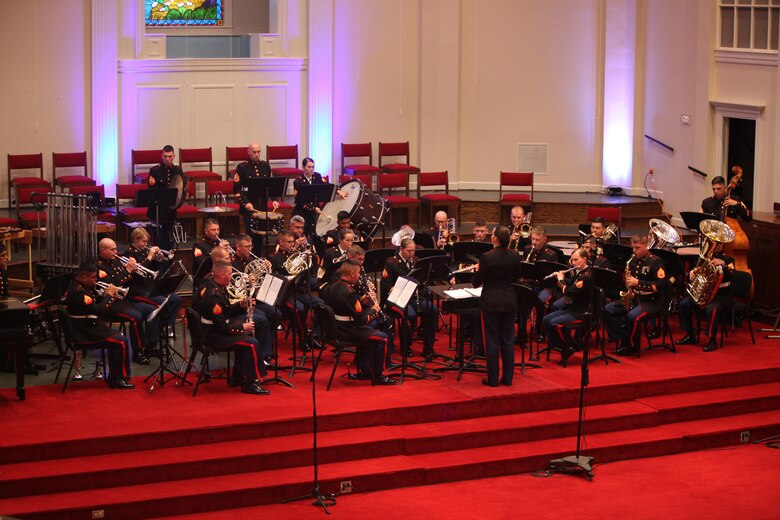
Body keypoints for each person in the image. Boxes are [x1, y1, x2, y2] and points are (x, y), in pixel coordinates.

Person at [192, 261, 269, 395]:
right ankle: (252, 382)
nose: (231, 276)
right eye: (229, 274)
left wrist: (241, 305)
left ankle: (238, 377)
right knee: (251, 343)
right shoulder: (214, 295)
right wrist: (241, 327)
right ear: (222, 275)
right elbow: (220, 326)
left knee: (246, 339)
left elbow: (225, 312)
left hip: (214, 330)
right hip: (213, 336)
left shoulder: (215, 286)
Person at [323, 260, 396, 385]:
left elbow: (346, 307)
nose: (359, 276)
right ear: (352, 273)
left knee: (369, 332)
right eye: (358, 273)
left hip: (335, 328)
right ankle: (378, 375)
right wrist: (374, 311)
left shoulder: (334, 287)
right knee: (383, 338)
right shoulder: (349, 292)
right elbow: (360, 320)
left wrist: (361, 302)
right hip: (347, 331)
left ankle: (365, 370)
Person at [65, 262, 134, 389]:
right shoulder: (79, 294)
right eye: (93, 277)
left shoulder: (77, 285)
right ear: (84, 277)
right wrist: (109, 295)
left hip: (88, 326)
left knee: (119, 339)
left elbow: (94, 305)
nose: (96, 280)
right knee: (121, 341)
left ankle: (115, 376)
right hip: (85, 332)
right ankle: (120, 378)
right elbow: (100, 311)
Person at [471, 226, 523, 387]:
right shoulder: (515, 256)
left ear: (495, 239)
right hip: (509, 300)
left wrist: (477, 270)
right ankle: (508, 378)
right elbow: (516, 277)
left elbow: (476, 282)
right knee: (507, 340)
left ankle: (493, 379)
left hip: (491, 302)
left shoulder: (487, 257)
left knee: (492, 340)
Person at [603, 234, 668, 356]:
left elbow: (660, 285)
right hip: (636, 298)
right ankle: (623, 337)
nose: (634, 251)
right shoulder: (632, 261)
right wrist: (630, 290)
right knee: (607, 310)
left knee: (632, 317)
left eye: (637, 248)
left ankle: (630, 346)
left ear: (646, 245)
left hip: (652, 301)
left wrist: (639, 283)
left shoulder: (656, 262)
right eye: (633, 248)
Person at [95, 238, 155, 366]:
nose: (116, 252)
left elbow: (127, 279)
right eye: (112, 250)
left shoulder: (116, 259)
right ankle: (138, 353)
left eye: (116, 248)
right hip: (110, 304)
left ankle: (150, 345)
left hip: (123, 300)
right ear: (103, 250)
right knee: (136, 317)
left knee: (152, 309)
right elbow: (111, 285)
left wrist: (134, 266)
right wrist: (127, 271)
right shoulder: (98, 266)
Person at [380, 238, 440, 357]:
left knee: (433, 311)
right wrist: (398, 289)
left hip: (414, 297)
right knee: (410, 315)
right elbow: (386, 285)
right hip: (398, 298)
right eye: (409, 251)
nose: (412, 253)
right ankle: (406, 347)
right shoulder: (391, 262)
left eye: (413, 251)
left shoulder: (416, 261)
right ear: (401, 249)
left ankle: (428, 346)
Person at [123, 228, 182, 342]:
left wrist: (157, 259)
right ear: (136, 240)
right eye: (143, 242)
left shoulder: (144, 251)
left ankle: (165, 327)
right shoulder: (129, 254)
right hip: (139, 289)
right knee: (162, 304)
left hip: (151, 286)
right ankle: (153, 339)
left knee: (175, 298)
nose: (146, 245)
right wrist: (150, 257)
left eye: (146, 242)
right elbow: (139, 274)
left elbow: (154, 271)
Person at [542, 248, 594, 365]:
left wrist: (561, 281)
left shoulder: (586, 275)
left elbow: (569, 292)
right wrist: (562, 278)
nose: (573, 263)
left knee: (554, 323)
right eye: (572, 260)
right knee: (546, 320)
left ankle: (568, 347)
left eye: (576, 260)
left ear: (584, 259)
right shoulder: (579, 272)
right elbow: (571, 284)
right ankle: (566, 346)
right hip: (573, 309)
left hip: (582, 312)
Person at [676, 250, 735, 352]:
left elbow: (732, 274)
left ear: (721, 245)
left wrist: (723, 264)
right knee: (684, 304)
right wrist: (692, 273)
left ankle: (712, 340)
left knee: (712, 310)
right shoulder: (705, 257)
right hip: (704, 294)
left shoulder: (728, 259)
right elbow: (698, 271)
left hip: (721, 295)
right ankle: (690, 335)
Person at [232, 233, 280, 353]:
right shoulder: (232, 264)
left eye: (251, 246)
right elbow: (234, 288)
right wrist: (248, 284)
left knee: (276, 313)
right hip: (242, 302)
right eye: (246, 246)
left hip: (256, 298)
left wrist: (268, 267)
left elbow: (263, 279)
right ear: (238, 247)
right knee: (262, 318)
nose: (250, 249)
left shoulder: (252, 260)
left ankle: (266, 346)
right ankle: (262, 352)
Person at [233, 143, 280, 256]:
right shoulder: (242, 167)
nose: (257, 154)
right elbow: (237, 189)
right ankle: (249, 259)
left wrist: (273, 199)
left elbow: (270, 185)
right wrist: (246, 203)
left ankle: (258, 258)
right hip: (249, 207)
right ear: (248, 151)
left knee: (261, 237)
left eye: (258, 151)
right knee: (251, 236)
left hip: (262, 206)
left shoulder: (265, 166)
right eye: (254, 152)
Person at [522, 225, 560, 342]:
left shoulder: (551, 255)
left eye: (537, 240)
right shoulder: (527, 249)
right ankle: (522, 333)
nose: (534, 242)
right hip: (530, 283)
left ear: (544, 239)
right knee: (521, 301)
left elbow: (554, 278)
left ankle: (539, 332)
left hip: (545, 286)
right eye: (532, 239)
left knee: (540, 303)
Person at [146, 145, 182, 251]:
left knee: (169, 241)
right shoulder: (154, 171)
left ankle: (168, 263)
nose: (167, 159)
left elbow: (181, 188)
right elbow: (152, 190)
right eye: (165, 156)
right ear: (161, 156)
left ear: (174, 156)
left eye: (170, 156)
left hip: (170, 211)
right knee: (158, 242)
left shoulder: (178, 170)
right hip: (158, 211)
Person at [192, 219, 231, 287]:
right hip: (204, 280)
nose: (216, 232)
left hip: (219, 278)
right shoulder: (198, 245)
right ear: (206, 231)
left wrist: (227, 253)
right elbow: (201, 263)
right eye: (213, 230)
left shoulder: (219, 242)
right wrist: (218, 250)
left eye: (218, 229)